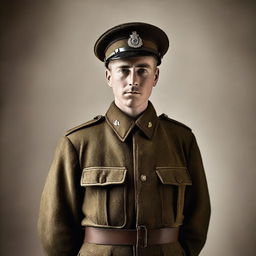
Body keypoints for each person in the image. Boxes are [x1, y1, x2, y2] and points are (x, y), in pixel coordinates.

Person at [38, 22, 211, 256]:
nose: (133, 80)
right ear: (109, 76)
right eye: (123, 70)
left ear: (156, 76)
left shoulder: (181, 139)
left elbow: (198, 216)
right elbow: (54, 227)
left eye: (142, 70)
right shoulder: (78, 142)